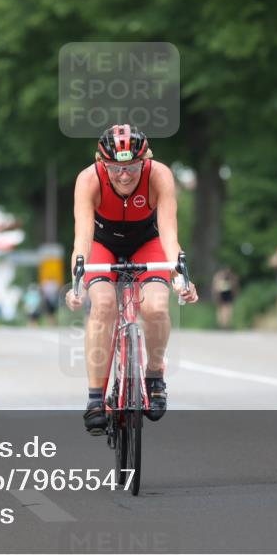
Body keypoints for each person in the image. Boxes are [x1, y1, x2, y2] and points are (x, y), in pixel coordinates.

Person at [65, 125, 198, 435]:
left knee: (155, 307)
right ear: (102, 163)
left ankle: (154, 376)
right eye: (115, 168)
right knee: (104, 305)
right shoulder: (88, 180)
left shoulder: (159, 175)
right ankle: (96, 398)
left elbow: (169, 235)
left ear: (145, 160)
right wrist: (77, 284)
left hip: (147, 242)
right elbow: (81, 242)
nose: (124, 175)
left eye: (132, 167)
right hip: (102, 245)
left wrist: (181, 278)